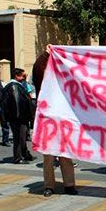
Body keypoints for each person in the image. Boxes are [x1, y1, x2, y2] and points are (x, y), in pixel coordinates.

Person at [32, 49, 78, 196]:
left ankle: (69, 185)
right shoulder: (43, 80)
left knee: (65, 153)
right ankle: (49, 186)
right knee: (48, 156)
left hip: (63, 120)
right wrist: (45, 55)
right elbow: (38, 69)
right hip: (47, 119)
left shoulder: (65, 81)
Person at [3, 68, 35, 164]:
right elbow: (17, 103)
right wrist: (19, 117)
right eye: (22, 75)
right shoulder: (14, 86)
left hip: (20, 117)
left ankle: (25, 154)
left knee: (23, 136)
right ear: (17, 76)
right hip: (18, 117)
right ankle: (18, 158)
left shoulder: (18, 86)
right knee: (18, 137)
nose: (24, 77)